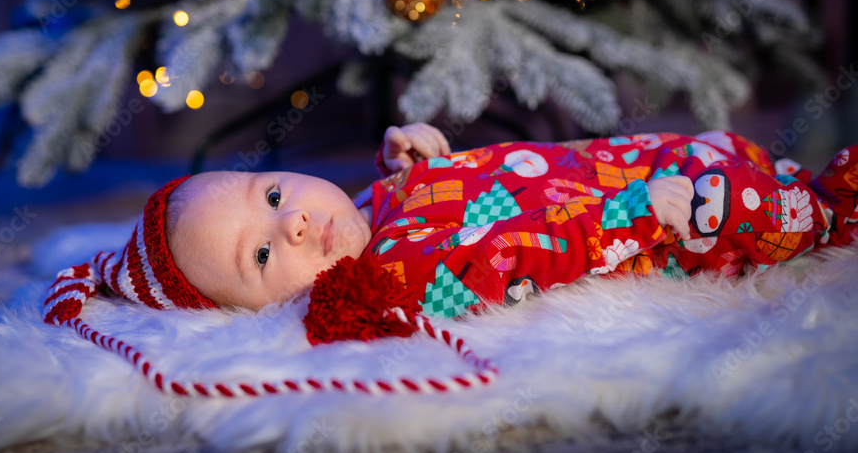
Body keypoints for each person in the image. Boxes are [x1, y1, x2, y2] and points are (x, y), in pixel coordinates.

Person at [44, 124, 858, 328]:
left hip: (631, 158)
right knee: (751, 207)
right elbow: (529, 251)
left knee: (724, 156)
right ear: (254, 312)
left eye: (270, 194)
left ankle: (789, 185)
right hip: (667, 222)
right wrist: (636, 215)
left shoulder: (367, 210)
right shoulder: (406, 279)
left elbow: (470, 188)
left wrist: (416, 158)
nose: (294, 223)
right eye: (259, 255)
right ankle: (830, 210)